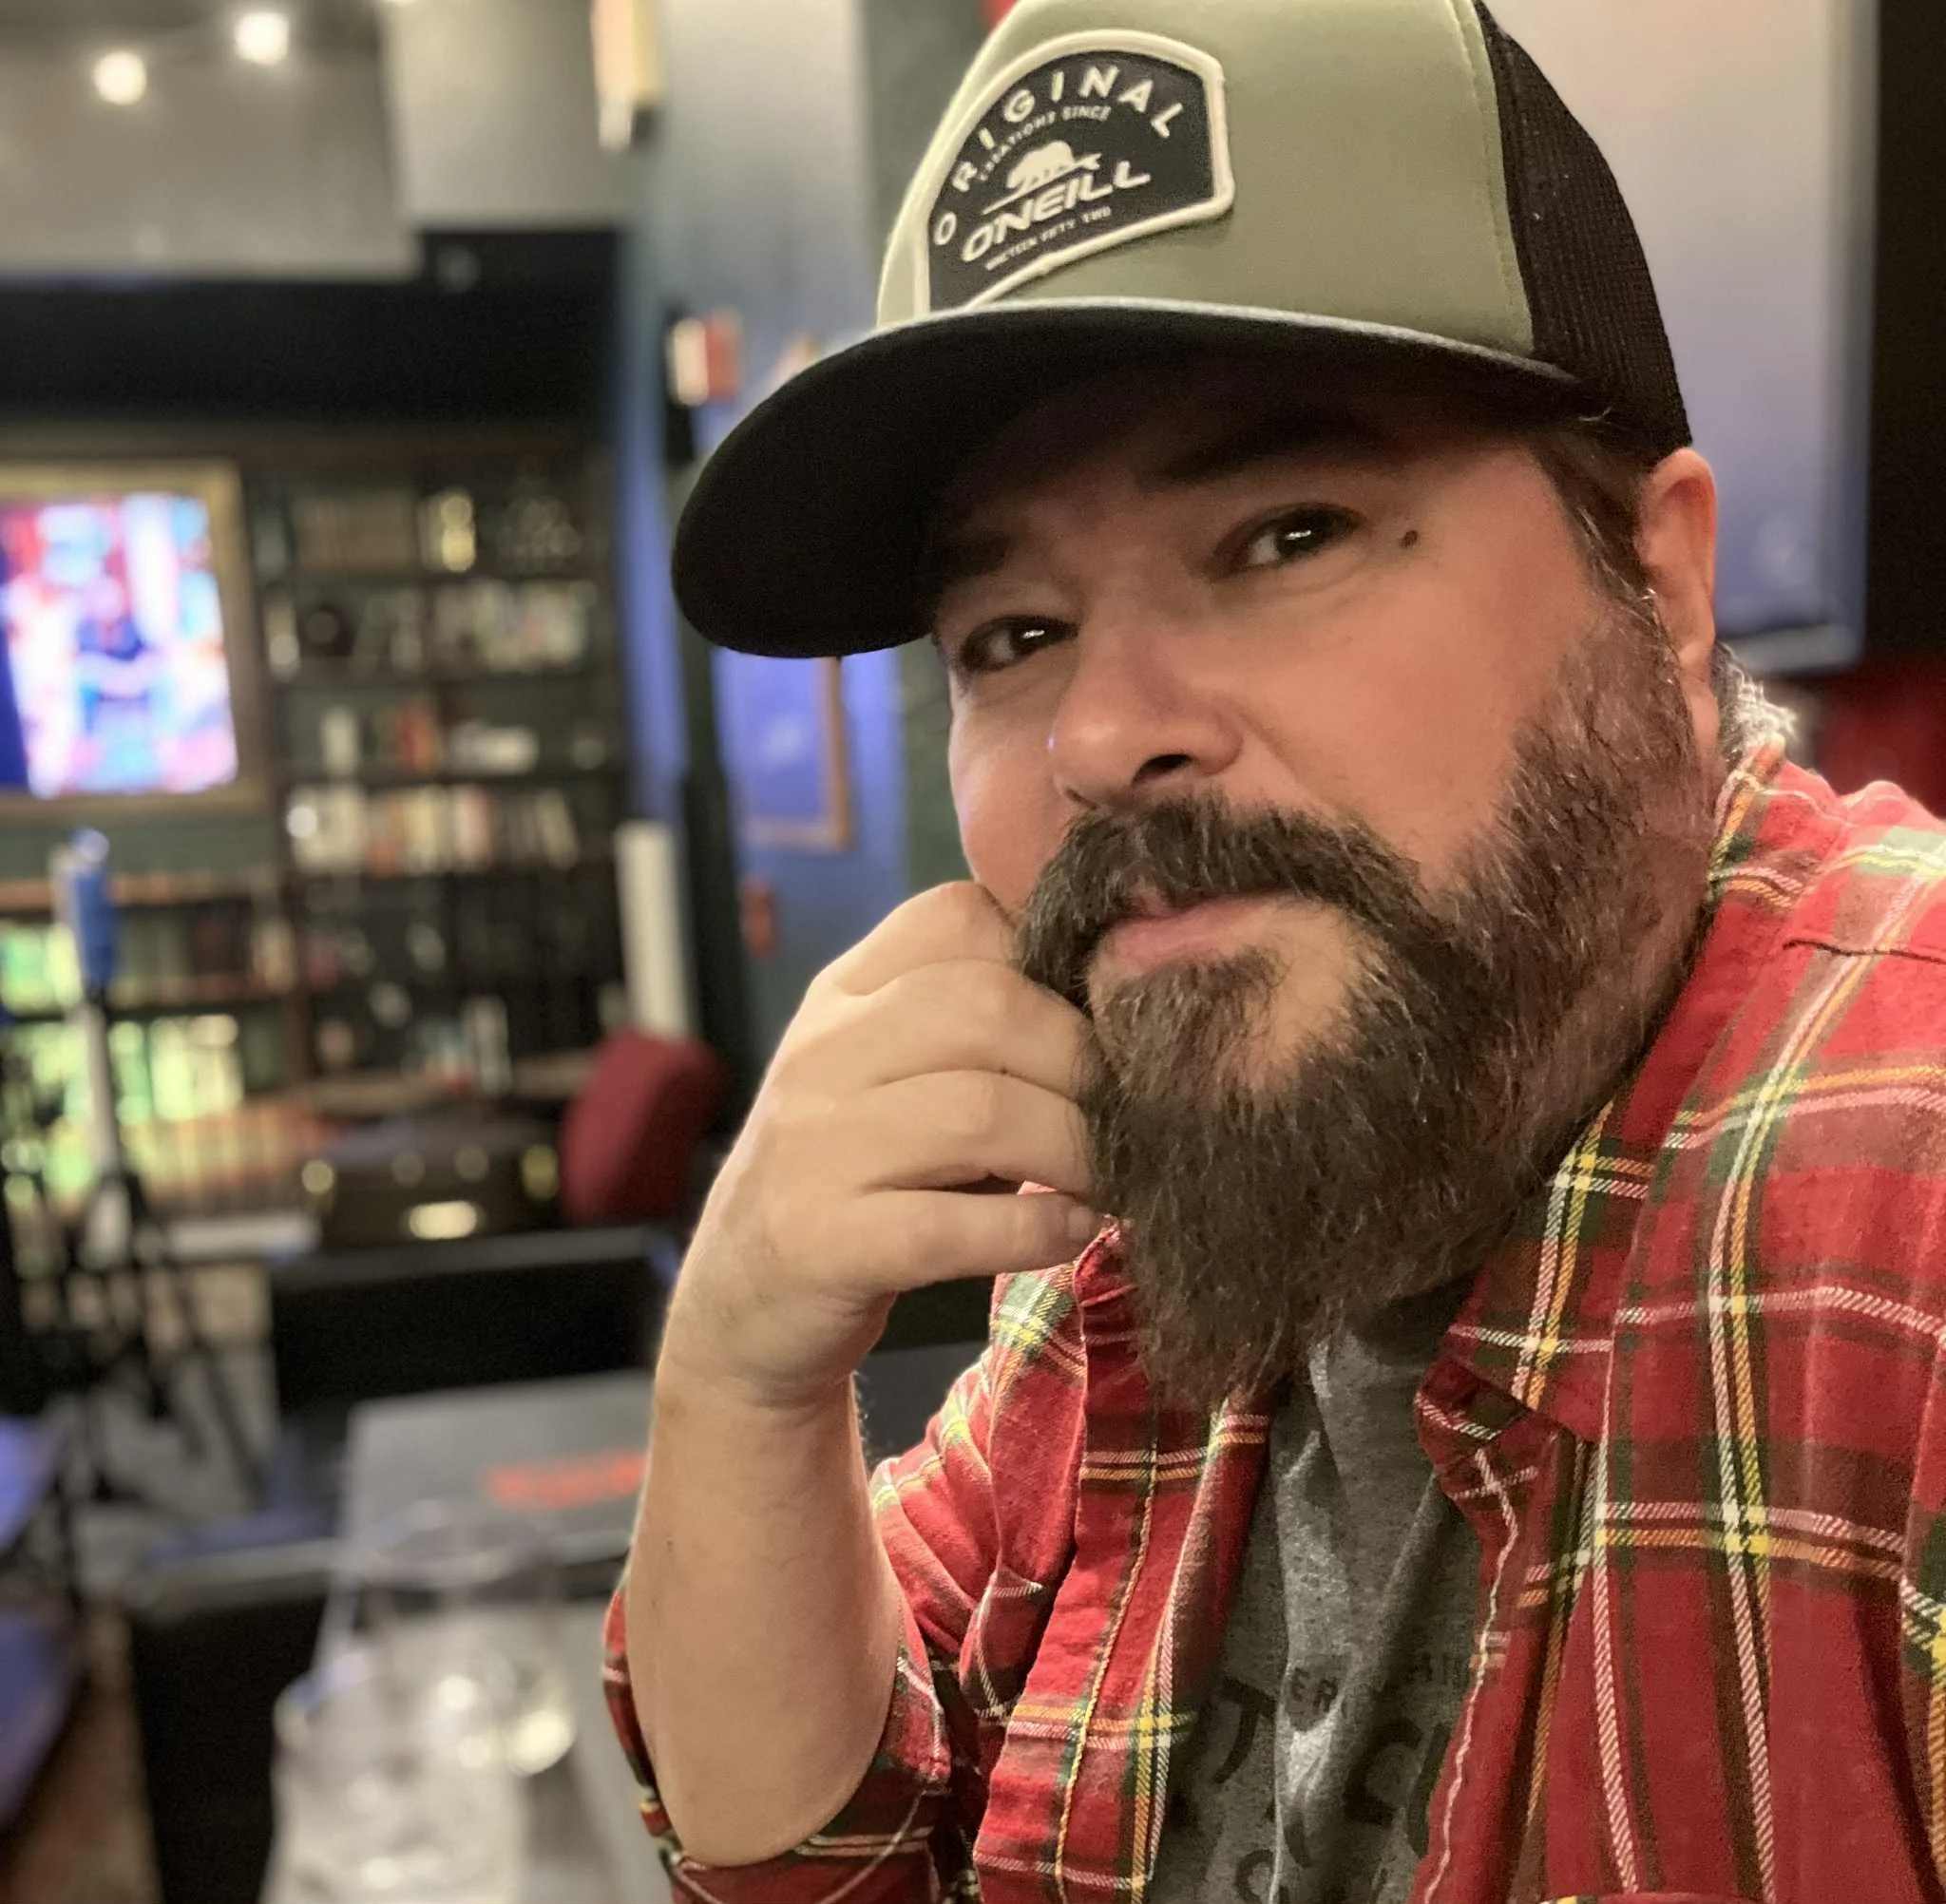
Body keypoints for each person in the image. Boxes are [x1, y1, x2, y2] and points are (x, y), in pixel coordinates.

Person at [606, 1, 1946, 1898]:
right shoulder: (1166, 1208)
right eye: (1008, 636)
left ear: (1657, 583)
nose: (1095, 738)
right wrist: (738, 1376)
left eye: (1286, 530)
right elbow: (816, 1859)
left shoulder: (1895, 1207)